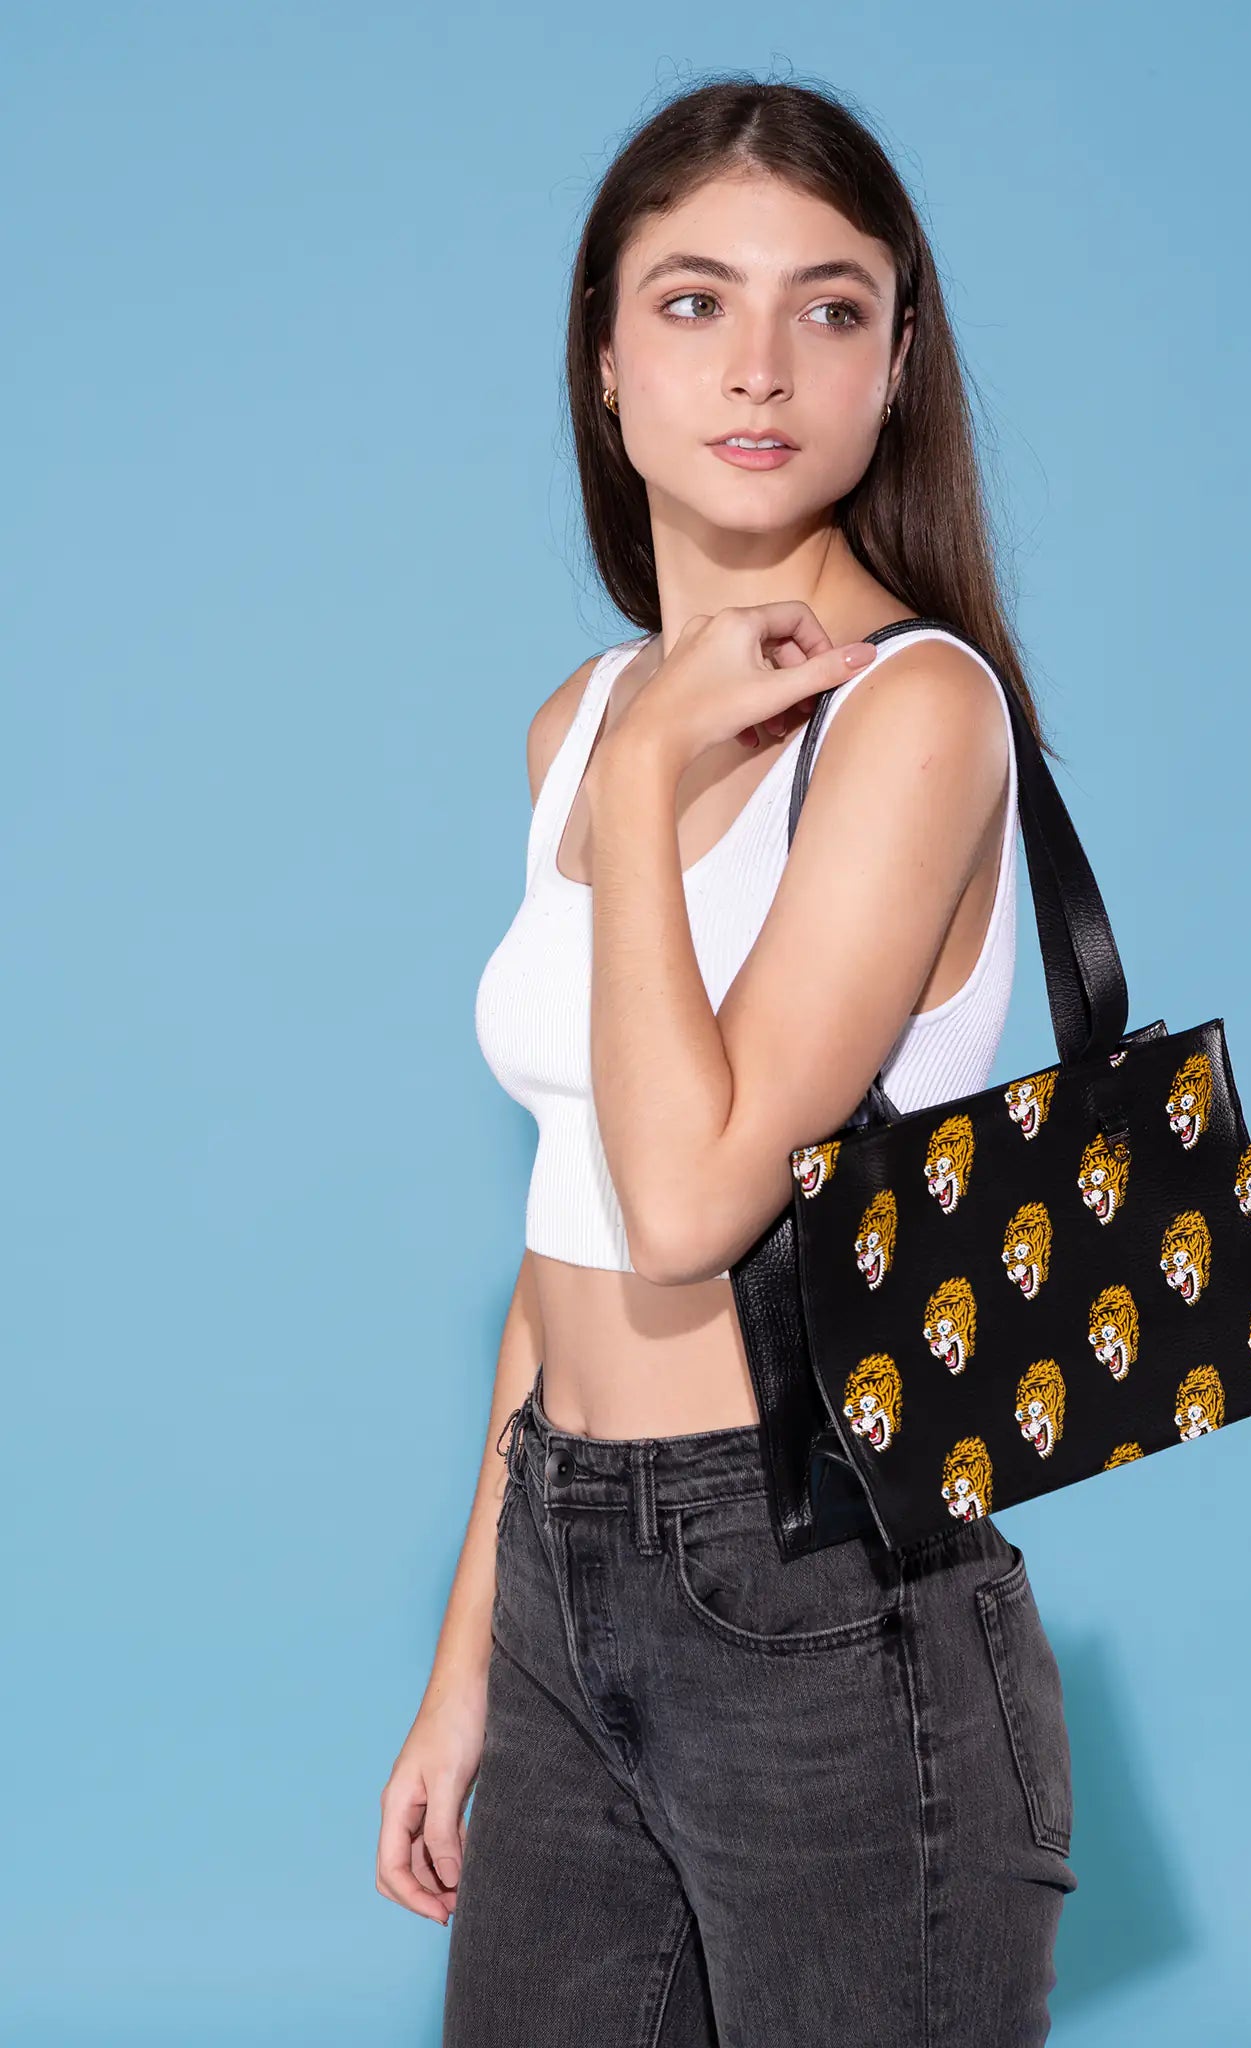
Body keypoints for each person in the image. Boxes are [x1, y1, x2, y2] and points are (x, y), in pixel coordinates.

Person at [378, 75, 1079, 2047]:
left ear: (894, 363)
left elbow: (690, 1203)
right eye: (690, 301)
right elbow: (568, 1231)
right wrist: (467, 1671)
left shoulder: (914, 716)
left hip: (817, 1584)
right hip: (564, 1559)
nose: (758, 361)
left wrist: (647, 796)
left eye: (828, 304)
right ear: (603, 356)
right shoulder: (578, 722)